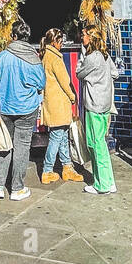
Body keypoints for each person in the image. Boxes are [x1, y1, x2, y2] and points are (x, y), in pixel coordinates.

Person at [0, 18, 46, 201]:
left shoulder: (4, 56)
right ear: (27, 37)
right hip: (27, 108)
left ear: (13, 36)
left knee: (3, 145)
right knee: (22, 147)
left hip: (5, 108)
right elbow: (41, 83)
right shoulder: (33, 57)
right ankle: (17, 188)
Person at [77, 26, 119, 195]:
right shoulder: (105, 55)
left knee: (95, 143)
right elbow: (114, 73)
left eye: (84, 35)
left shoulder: (91, 57)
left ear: (91, 38)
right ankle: (108, 180)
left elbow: (79, 73)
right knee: (100, 141)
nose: (82, 38)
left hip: (94, 103)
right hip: (105, 103)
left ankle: (101, 184)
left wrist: (82, 54)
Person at [39, 28, 84, 184]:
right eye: (60, 41)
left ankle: (67, 168)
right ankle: (47, 170)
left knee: (62, 136)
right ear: (55, 42)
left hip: (52, 103)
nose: (62, 44)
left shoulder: (45, 56)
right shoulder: (55, 58)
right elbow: (65, 81)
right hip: (59, 103)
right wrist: (73, 97)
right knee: (57, 137)